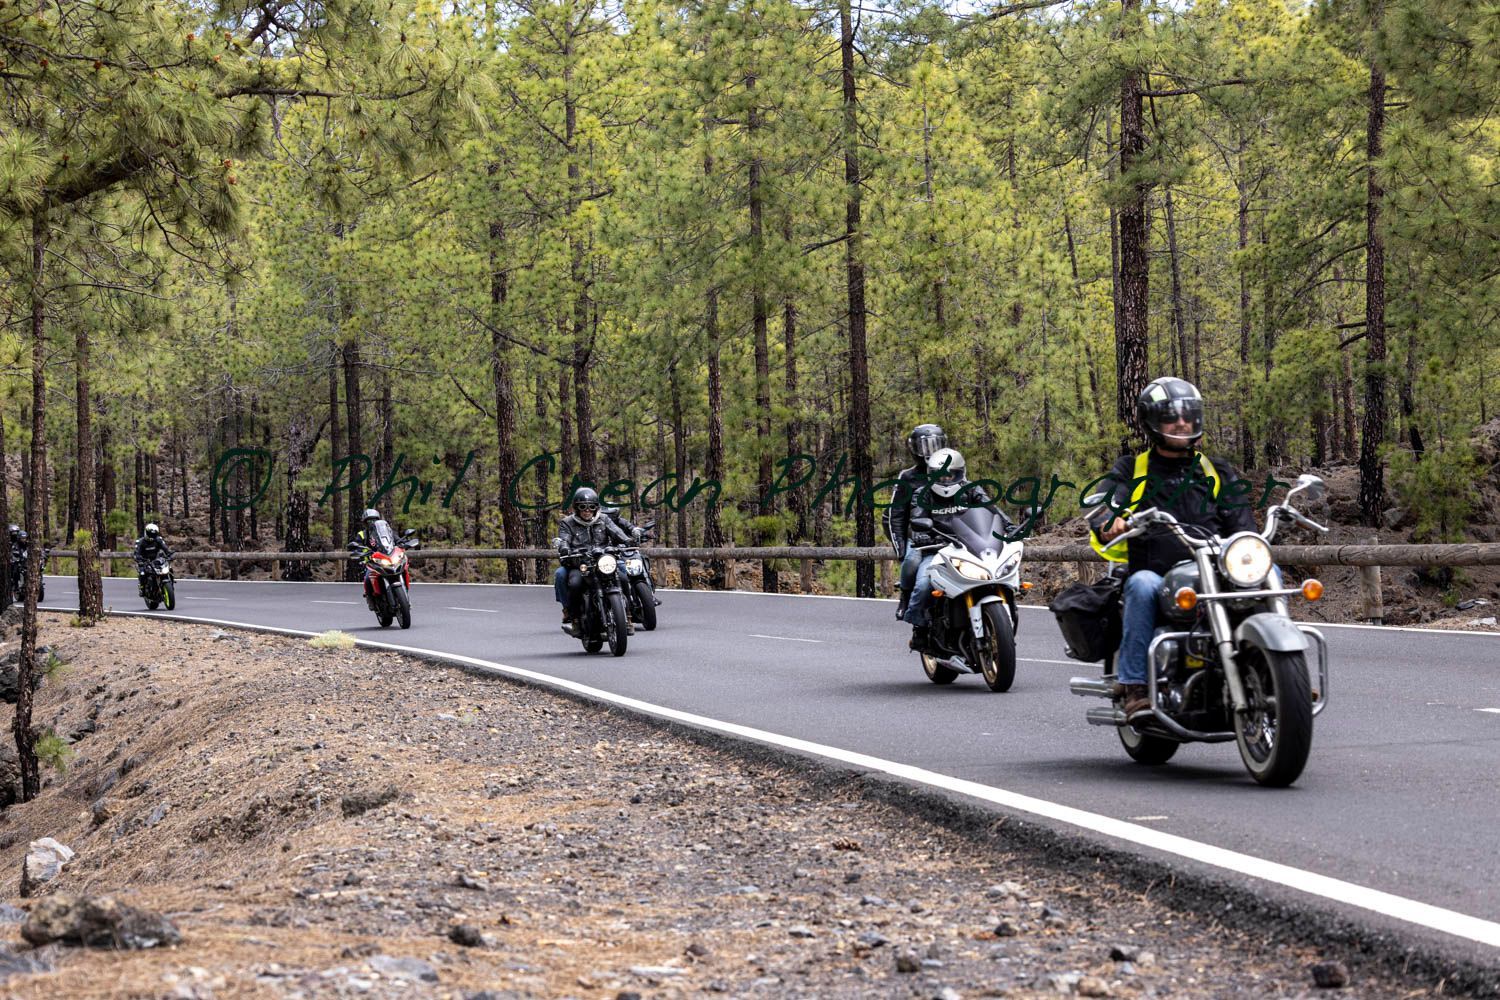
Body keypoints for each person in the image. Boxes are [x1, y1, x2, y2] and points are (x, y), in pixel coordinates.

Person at [1087, 377, 1256, 717]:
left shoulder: (1216, 470)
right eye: (1171, 416)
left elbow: (1241, 521)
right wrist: (1111, 519)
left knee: (1269, 573)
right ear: (1152, 422)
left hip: (1214, 567)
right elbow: (1106, 502)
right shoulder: (1132, 468)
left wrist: (1249, 546)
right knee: (1140, 585)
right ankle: (1135, 685)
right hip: (1157, 570)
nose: (1181, 422)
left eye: (1187, 415)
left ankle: (1273, 666)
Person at [903, 447, 1015, 653]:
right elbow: (916, 517)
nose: (945, 479)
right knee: (924, 585)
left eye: (950, 474)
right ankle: (919, 629)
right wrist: (920, 534)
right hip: (936, 547)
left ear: (959, 473)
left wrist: (1008, 525)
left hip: (969, 547)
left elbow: (991, 508)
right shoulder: (923, 493)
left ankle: (1002, 624)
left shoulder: (971, 489)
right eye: (940, 474)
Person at [886, 424, 947, 621]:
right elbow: (894, 515)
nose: (930, 452)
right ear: (915, 449)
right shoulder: (908, 477)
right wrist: (901, 549)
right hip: (919, 537)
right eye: (924, 447)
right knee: (911, 560)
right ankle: (905, 596)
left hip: (948, 535)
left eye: (935, 445)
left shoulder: (951, 472)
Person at [553, 487, 635, 627]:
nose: (587, 510)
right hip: (580, 563)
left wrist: (628, 540)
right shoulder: (567, 523)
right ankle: (574, 617)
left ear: (596, 507)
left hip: (603, 561)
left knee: (622, 577)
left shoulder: (603, 519)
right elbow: (564, 539)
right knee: (574, 583)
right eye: (582, 507)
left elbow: (616, 532)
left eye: (591, 507)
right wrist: (565, 548)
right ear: (576, 508)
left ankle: (627, 613)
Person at [133, 523, 173, 596]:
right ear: (146, 532)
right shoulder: (140, 542)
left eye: (153, 535)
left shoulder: (158, 540)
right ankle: (142, 588)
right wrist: (139, 559)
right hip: (144, 561)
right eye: (150, 534)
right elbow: (136, 553)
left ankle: (170, 583)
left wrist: (169, 554)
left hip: (156, 560)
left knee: (169, 568)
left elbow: (165, 548)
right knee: (142, 573)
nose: (152, 537)